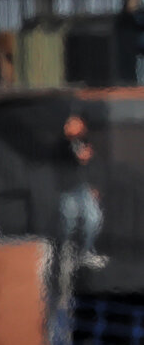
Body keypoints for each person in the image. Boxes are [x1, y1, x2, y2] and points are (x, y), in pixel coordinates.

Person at [60, 115, 104, 268]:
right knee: (69, 222)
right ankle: (67, 253)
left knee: (93, 218)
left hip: (83, 188)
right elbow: (61, 168)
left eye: (79, 125)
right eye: (71, 125)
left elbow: (95, 167)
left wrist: (95, 186)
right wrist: (79, 160)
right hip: (67, 189)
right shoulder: (62, 147)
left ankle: (86, 252)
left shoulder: (87, 144)